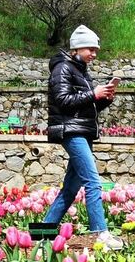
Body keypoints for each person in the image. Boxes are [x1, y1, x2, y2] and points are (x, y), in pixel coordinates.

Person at [42, 25, 123, 250]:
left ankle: (41, 236)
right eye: (91, 49)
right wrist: (92, 93)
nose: (94, 54)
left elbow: (85, 106)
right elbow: (63, 100)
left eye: (96, 50)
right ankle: (101, 234)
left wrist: (103, 98)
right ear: (77, 48)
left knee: (69, 189)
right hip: (71, 131)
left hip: (82, 131)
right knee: (93, 182)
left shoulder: (81, 70)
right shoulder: (62, 68)